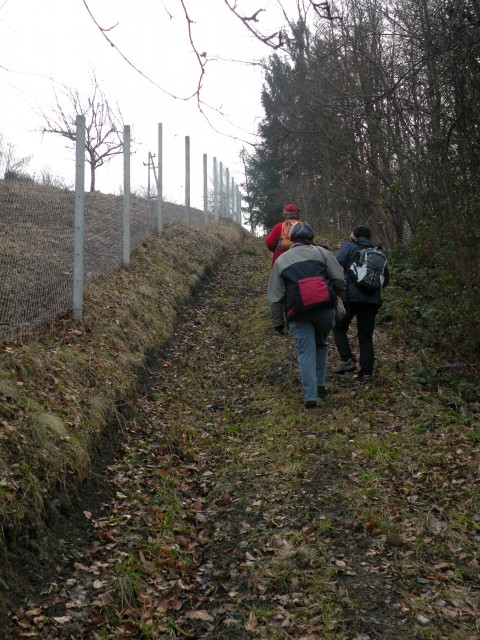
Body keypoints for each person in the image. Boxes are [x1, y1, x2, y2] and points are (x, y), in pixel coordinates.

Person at [267, 222, 346, 409]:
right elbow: (339, 279)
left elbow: (275, 296)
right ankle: (321, 385)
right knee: (321, 344)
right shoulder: (322, 253)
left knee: (305, 351)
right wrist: (338, 298)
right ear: (312, 238)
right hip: (324, 309)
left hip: (298, 311)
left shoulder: (281, 260)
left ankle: (310, 397)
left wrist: (278, 322)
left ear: (292, 239)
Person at [331, 225, 390, 384]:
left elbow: (335, 266)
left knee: (338, 327)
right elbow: (386, 280)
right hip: (372, 301)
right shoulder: (378, 252)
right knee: (366, 337)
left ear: (355, 235)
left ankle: (348, 360)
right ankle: (366, 373)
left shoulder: (349, 246)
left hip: (350, 297)